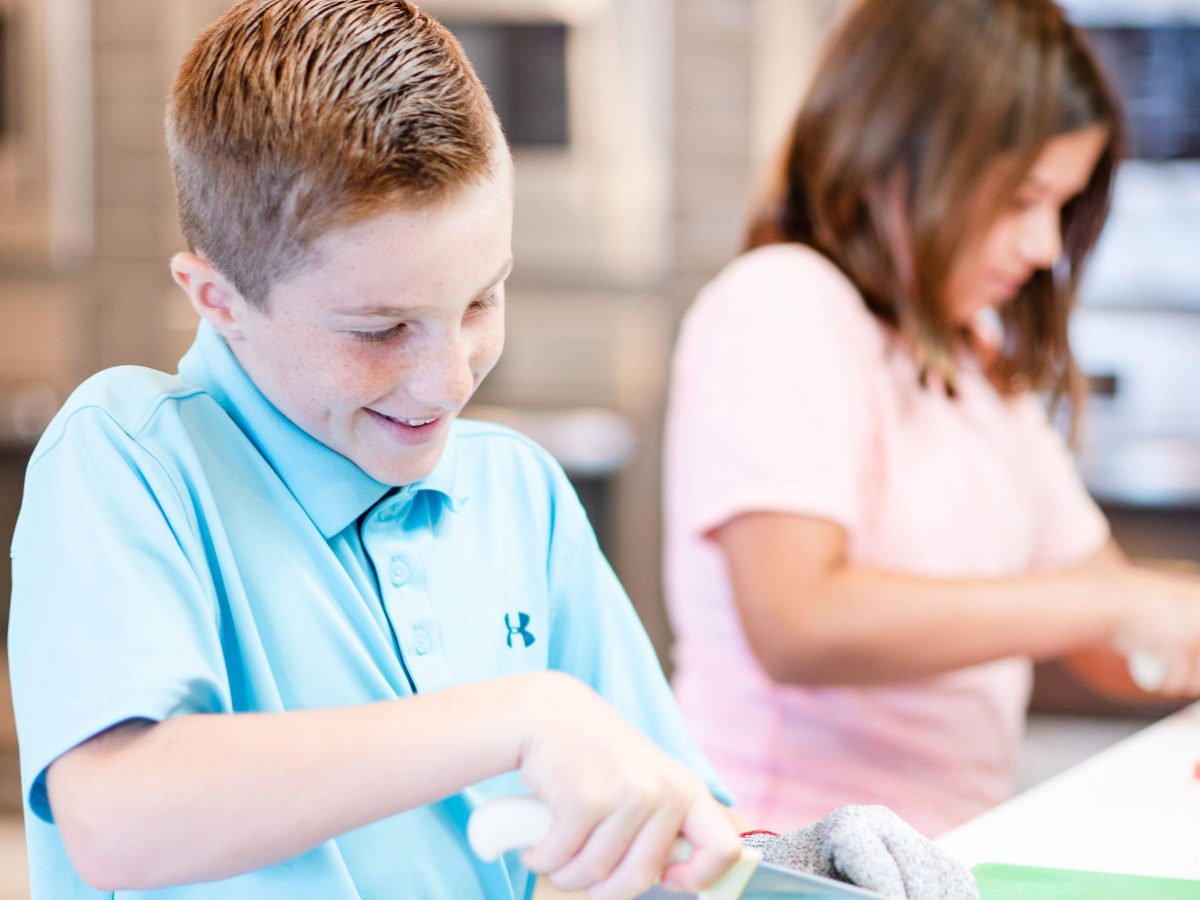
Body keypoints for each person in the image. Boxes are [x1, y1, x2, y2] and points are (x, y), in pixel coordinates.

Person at [6, 2, 976, 899]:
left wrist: (785, 866)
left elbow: (666, 836)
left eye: (480, 300)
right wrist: (513, 718)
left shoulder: (519, 495)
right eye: (380, 329)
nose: (449, 377)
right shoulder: (129, 459)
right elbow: (115, 820)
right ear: (215, 297)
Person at [663, 0, 1200, 840]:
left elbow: (1109, 626)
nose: (1044, 246)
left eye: (1060, 205)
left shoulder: (972, 358)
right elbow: (797, 620)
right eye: (1023, 198)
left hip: (934, 860)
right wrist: (1105, 604)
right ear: (897, 157)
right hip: (781, 859)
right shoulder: (783, 304)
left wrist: (1142, 610)